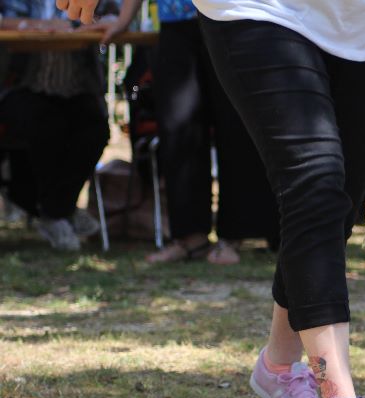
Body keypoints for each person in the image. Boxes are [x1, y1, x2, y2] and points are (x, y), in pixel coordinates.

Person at [61, 0, 365, 398]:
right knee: (315, 182)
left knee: (336, 200)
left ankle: (278, 364)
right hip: (259, 9)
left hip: (362, 23)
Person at [101, 0, 279, 264]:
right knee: (177, 127)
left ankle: (234, 237)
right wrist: (124, 19)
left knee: (235, 127)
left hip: (233, 17)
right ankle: (188, 238)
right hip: (175, 22)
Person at [0, 0, 108, 251]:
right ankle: (60, 211)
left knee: (95, 129)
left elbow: (113, 14)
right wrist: (39, 25)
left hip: (76, 89)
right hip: (24, 85)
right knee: (46, 125)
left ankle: (56, 211)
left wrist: (86, 24)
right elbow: (4, 18)